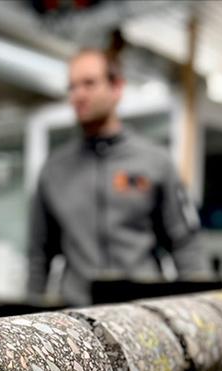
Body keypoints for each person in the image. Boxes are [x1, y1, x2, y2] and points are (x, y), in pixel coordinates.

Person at [27, 48, 209, 306]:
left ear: (117, 88)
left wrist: (198, 314)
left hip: (142, 314)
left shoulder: (156, 161)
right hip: (77, 317)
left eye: (89, 83)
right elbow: (39, 256)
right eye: (72, 87)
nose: (78, 95)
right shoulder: (54, 170)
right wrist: (28, 324)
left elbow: (185, 243)